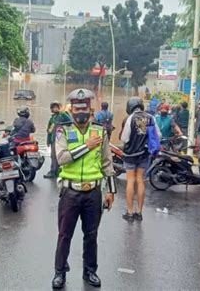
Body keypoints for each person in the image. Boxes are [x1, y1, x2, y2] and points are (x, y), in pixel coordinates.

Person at [52, 88, 116, 289]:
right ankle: (60, 272)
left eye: (84, 108)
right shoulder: (62, 130)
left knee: (91, 235)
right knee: (64, 235)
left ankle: (90, 271)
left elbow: (107, 163)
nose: (80, 112)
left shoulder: (100, 131)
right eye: (77, 108)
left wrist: (111, 191)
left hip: (93, 192)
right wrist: (87, 146)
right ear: (71, 110)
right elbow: (62, 158)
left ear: (90, 110)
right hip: (70, 192)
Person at [121, 97, 161, 221]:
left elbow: (124, 138)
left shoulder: (130, 118)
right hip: (144, 154)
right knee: (140, 180)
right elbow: (158, 135)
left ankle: (130, 212)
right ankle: (139, 212)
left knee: (130, 181)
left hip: (130, 155)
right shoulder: (151, 118)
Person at [44, 101, 71, 179]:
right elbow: (49, 130)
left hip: (60, 139)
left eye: (56, 107)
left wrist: (62, 113)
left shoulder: (63, 115)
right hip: (53, 139)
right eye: (53, 107)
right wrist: (48, 140)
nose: (55, 108)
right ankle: (54, 171)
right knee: (53, 156)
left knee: (59, 155)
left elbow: (70, 121)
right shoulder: (52, 118)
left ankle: (56, 171)